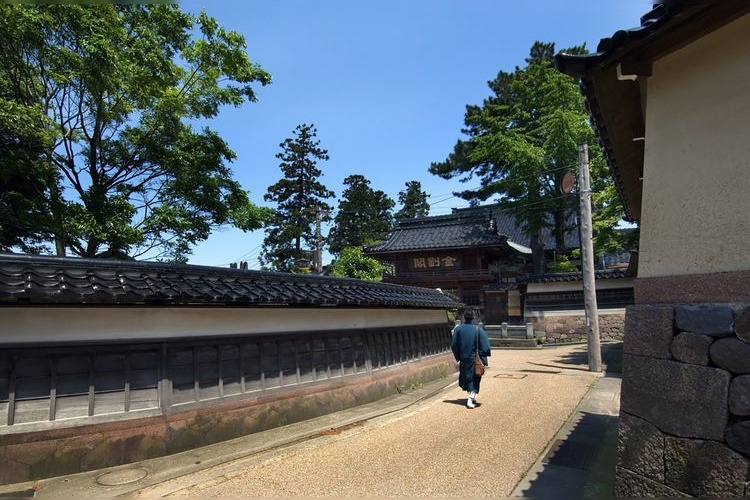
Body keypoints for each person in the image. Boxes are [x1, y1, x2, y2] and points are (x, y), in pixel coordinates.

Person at [451, 309, 491, 408]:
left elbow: (454, 345)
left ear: (464, 317)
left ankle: (471, 394)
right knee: (476, 377)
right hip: (476, 358)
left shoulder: (458, 329)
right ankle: (471, 396)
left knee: (466, 377)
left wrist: (458, 357)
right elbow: (486, 346)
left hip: (464, 358)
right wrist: (483, 355)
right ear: (474, 317)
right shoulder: (478, 329)